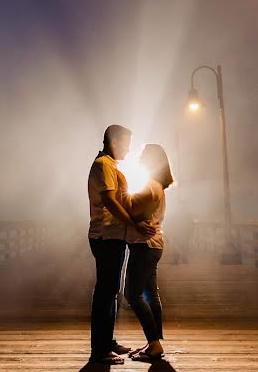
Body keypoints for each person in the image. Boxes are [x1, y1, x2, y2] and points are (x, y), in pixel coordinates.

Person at [87, 124, 156, 365]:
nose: (128, 149)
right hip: (106, 236)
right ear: (114, 142)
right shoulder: (104, 165)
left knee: (110, 291)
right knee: (106, 292)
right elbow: (110, 201)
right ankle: (100, 349)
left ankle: (108, 341)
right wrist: (135, 225)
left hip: (112, 236)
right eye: (126, 143)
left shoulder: (108, 165)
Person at [124, 143, 174, 361]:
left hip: (144, 245)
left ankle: (154, 343)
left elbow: (130, 209)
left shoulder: (150, 186)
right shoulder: (157, 186)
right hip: (153, 244)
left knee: (132, 295)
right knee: (150, 294)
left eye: (144, 154)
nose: (140, 156)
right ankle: (154, 342)